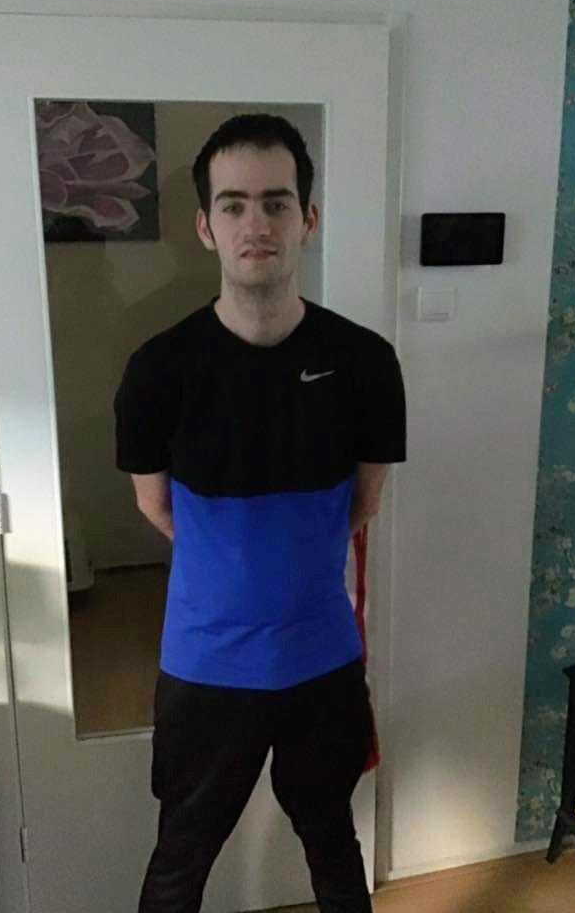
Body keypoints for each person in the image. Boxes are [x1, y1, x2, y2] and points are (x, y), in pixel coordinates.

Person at [114, 113, 407, 913]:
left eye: (277, 202)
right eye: (234, 204)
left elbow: (363, 504)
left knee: (333, 843)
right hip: (205, 666)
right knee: (181, 859)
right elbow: (156, 505)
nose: (257, 224)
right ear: (205, 227)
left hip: (322, 660)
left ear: (307, 218)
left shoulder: (367, 364)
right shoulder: (158, 371)